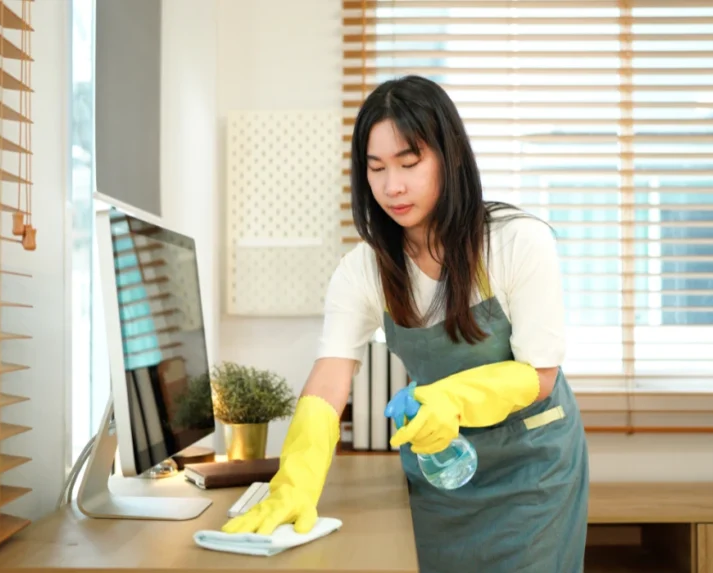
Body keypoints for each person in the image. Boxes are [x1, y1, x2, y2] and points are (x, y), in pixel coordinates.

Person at [222, 75, 589, 572]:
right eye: (376, 168)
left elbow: (541, 375)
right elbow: (330, 377)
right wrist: (295, 481)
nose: (391, 186)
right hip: (440, 474)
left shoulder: (518, 242)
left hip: (532, 475)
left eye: (409, 163)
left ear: (451, 156)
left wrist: (451, 398)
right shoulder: (365, 270)